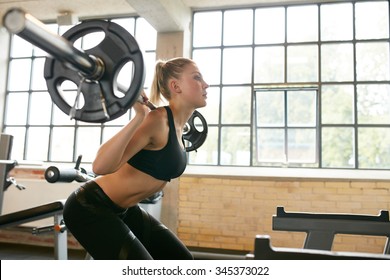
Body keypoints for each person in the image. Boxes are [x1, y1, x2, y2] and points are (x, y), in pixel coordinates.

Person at [63, 57, 208, 260]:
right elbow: (100, 166)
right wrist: (139, 116)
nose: (205, 84)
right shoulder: (157, 120)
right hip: (90, 207)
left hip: (125, 210)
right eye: (197, 78)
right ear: (176, 86)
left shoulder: (178, 128)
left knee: (181, 260)